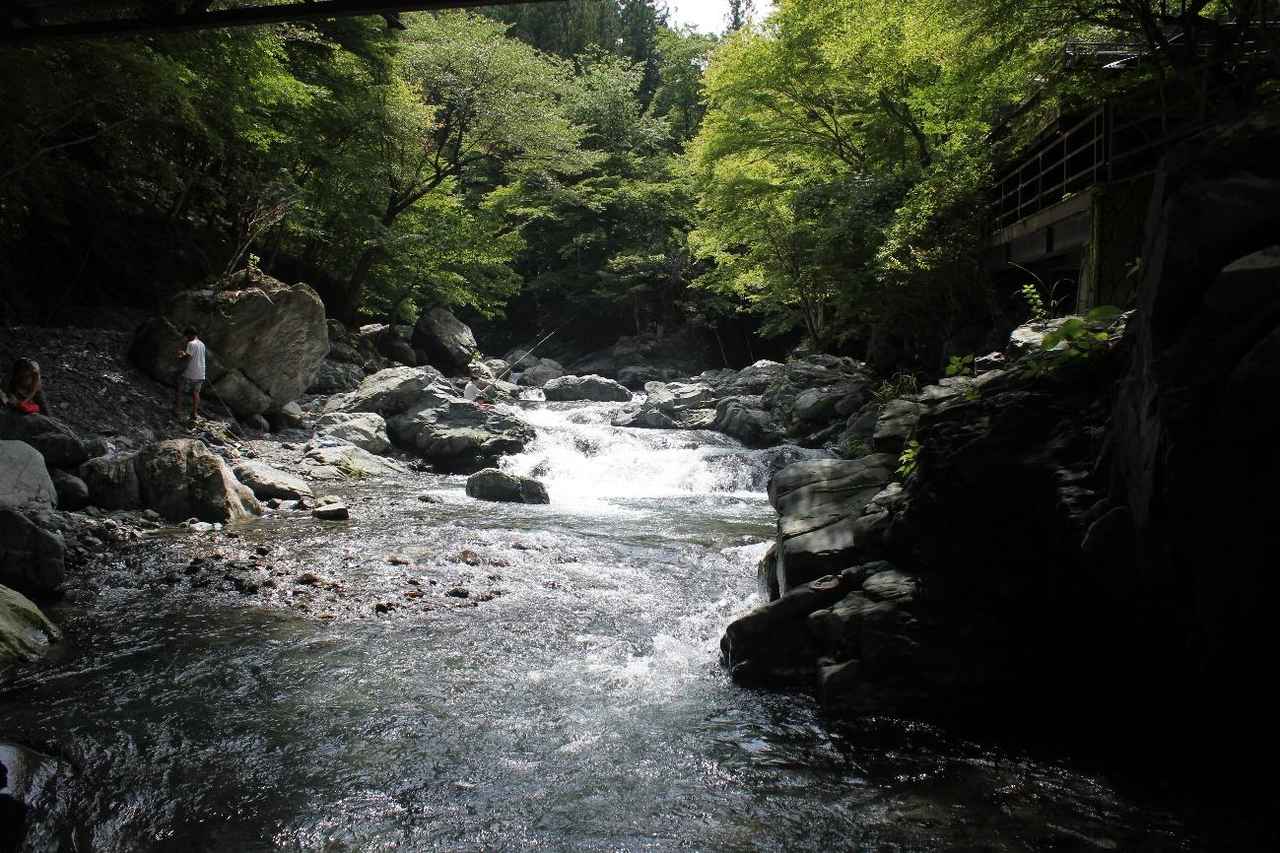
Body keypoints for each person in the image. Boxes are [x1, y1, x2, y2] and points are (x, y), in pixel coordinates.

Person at [175, 327, 206, 423]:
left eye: (187, 336)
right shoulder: (202, 344)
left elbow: (188, 358)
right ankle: (194, 413)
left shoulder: (191, 344)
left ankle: (178, 410)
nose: (186, 338)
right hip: (201, 373)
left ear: (190, 335)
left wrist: (180, 355)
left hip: (190, 372)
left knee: (180, 390)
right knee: (196, 393)